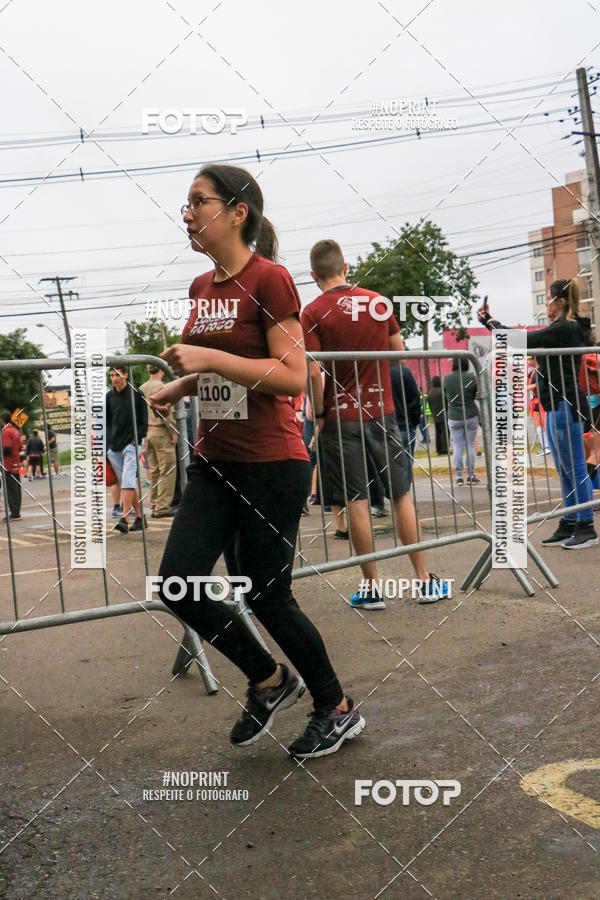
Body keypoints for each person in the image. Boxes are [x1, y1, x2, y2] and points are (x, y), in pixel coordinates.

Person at [149, 164, 364, 760]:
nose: (187, 213)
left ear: (237, 212)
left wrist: (206, 363)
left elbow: (291, 375)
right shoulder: (201, 287)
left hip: (271, 463)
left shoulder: (271, 280)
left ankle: (337, 707)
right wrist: (181, 387)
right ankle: (270, 679)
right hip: (215, 461)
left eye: (199, 201)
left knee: (269, 594)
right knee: (176, 581)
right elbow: (221, 365)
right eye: (185, 203)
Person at [301, 238, 450, 610]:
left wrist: (318, 415)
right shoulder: (377, 302)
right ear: (346, 267)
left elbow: (314, 372)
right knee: (400, 495)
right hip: (382, 411)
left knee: (357, 500)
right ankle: (422, 581)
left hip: (339, 416)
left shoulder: (312, 312)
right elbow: (397, 353)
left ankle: (372, 589)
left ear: (313, 274)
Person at [478, 280, 597, 549]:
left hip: (566, 403)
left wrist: (489, 320)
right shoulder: (561, 328)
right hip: (555, 404)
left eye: (550, 298)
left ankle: (586, 525)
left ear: (561, 301)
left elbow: (518, 340)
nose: (546, 303)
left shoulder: (565, 329)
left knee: (575, 466)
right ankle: (569, 522)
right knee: (564, 469)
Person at [106, 366, 148, 534]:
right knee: (126, 482)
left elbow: (143, 421)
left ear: (125, 375)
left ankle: (124, 518)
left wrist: (134, 441)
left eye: (118, 374)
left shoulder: (137, 395)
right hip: (114, 447)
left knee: (128, 480)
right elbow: (108, 422)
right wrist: (108, 444)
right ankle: (140, 518)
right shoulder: (109, 396)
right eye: (112, 375)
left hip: (131, 445)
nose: (115, 378)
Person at [139, 364, 178, 518]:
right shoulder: (162, 386)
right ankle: (162, 507)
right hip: (161, 431)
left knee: (154, 471)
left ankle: (155, 503)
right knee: (167, 470)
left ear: (148, 370)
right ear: (161, 370)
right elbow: (165, 411)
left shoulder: (141, 388)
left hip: (147, 432)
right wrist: (173, 431)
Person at [443, 358, 479, 485]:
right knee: (470, 445)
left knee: (457, 446)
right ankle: (470, 475)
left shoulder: (447, 378)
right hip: (470, 413)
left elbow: (445, 395)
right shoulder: (472, 377)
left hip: (454, 415)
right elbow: (476, 394)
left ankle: (459, 477)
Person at [390, 362, 422, 482]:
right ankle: (404, 498)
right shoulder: (404, 372)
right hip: (403, 426)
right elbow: (415, 400)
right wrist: (414, 423)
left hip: (380, 427)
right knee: (405, 469)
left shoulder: (374, 371)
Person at [1, 411, 22, 520]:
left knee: (10, 489)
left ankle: (14, 513)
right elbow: (19, 447)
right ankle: (17, 510)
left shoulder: (6, 432)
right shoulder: (16, 430)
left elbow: (7, 449)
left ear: (2, 420)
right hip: (16, 463)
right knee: (17, 488)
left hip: (8, 465)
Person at [427, 375, 448, 455]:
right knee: (444, 433)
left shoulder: (430, 392)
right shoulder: (442, 391)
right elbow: (446, 402)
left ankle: (438, 449)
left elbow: (429, 404)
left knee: (438, 433)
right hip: (443, 415)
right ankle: (444, 449)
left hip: (435, 416)